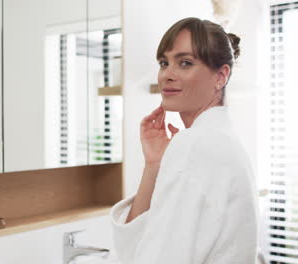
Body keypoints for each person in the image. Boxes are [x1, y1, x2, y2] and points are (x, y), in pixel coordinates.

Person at [110, 17, 258, 263]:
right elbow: (139, 245)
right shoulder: (220, 140)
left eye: (185, 63)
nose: (167, 74)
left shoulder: (196, 144)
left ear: (221, 76)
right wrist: (154, 166)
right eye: (163, 63)